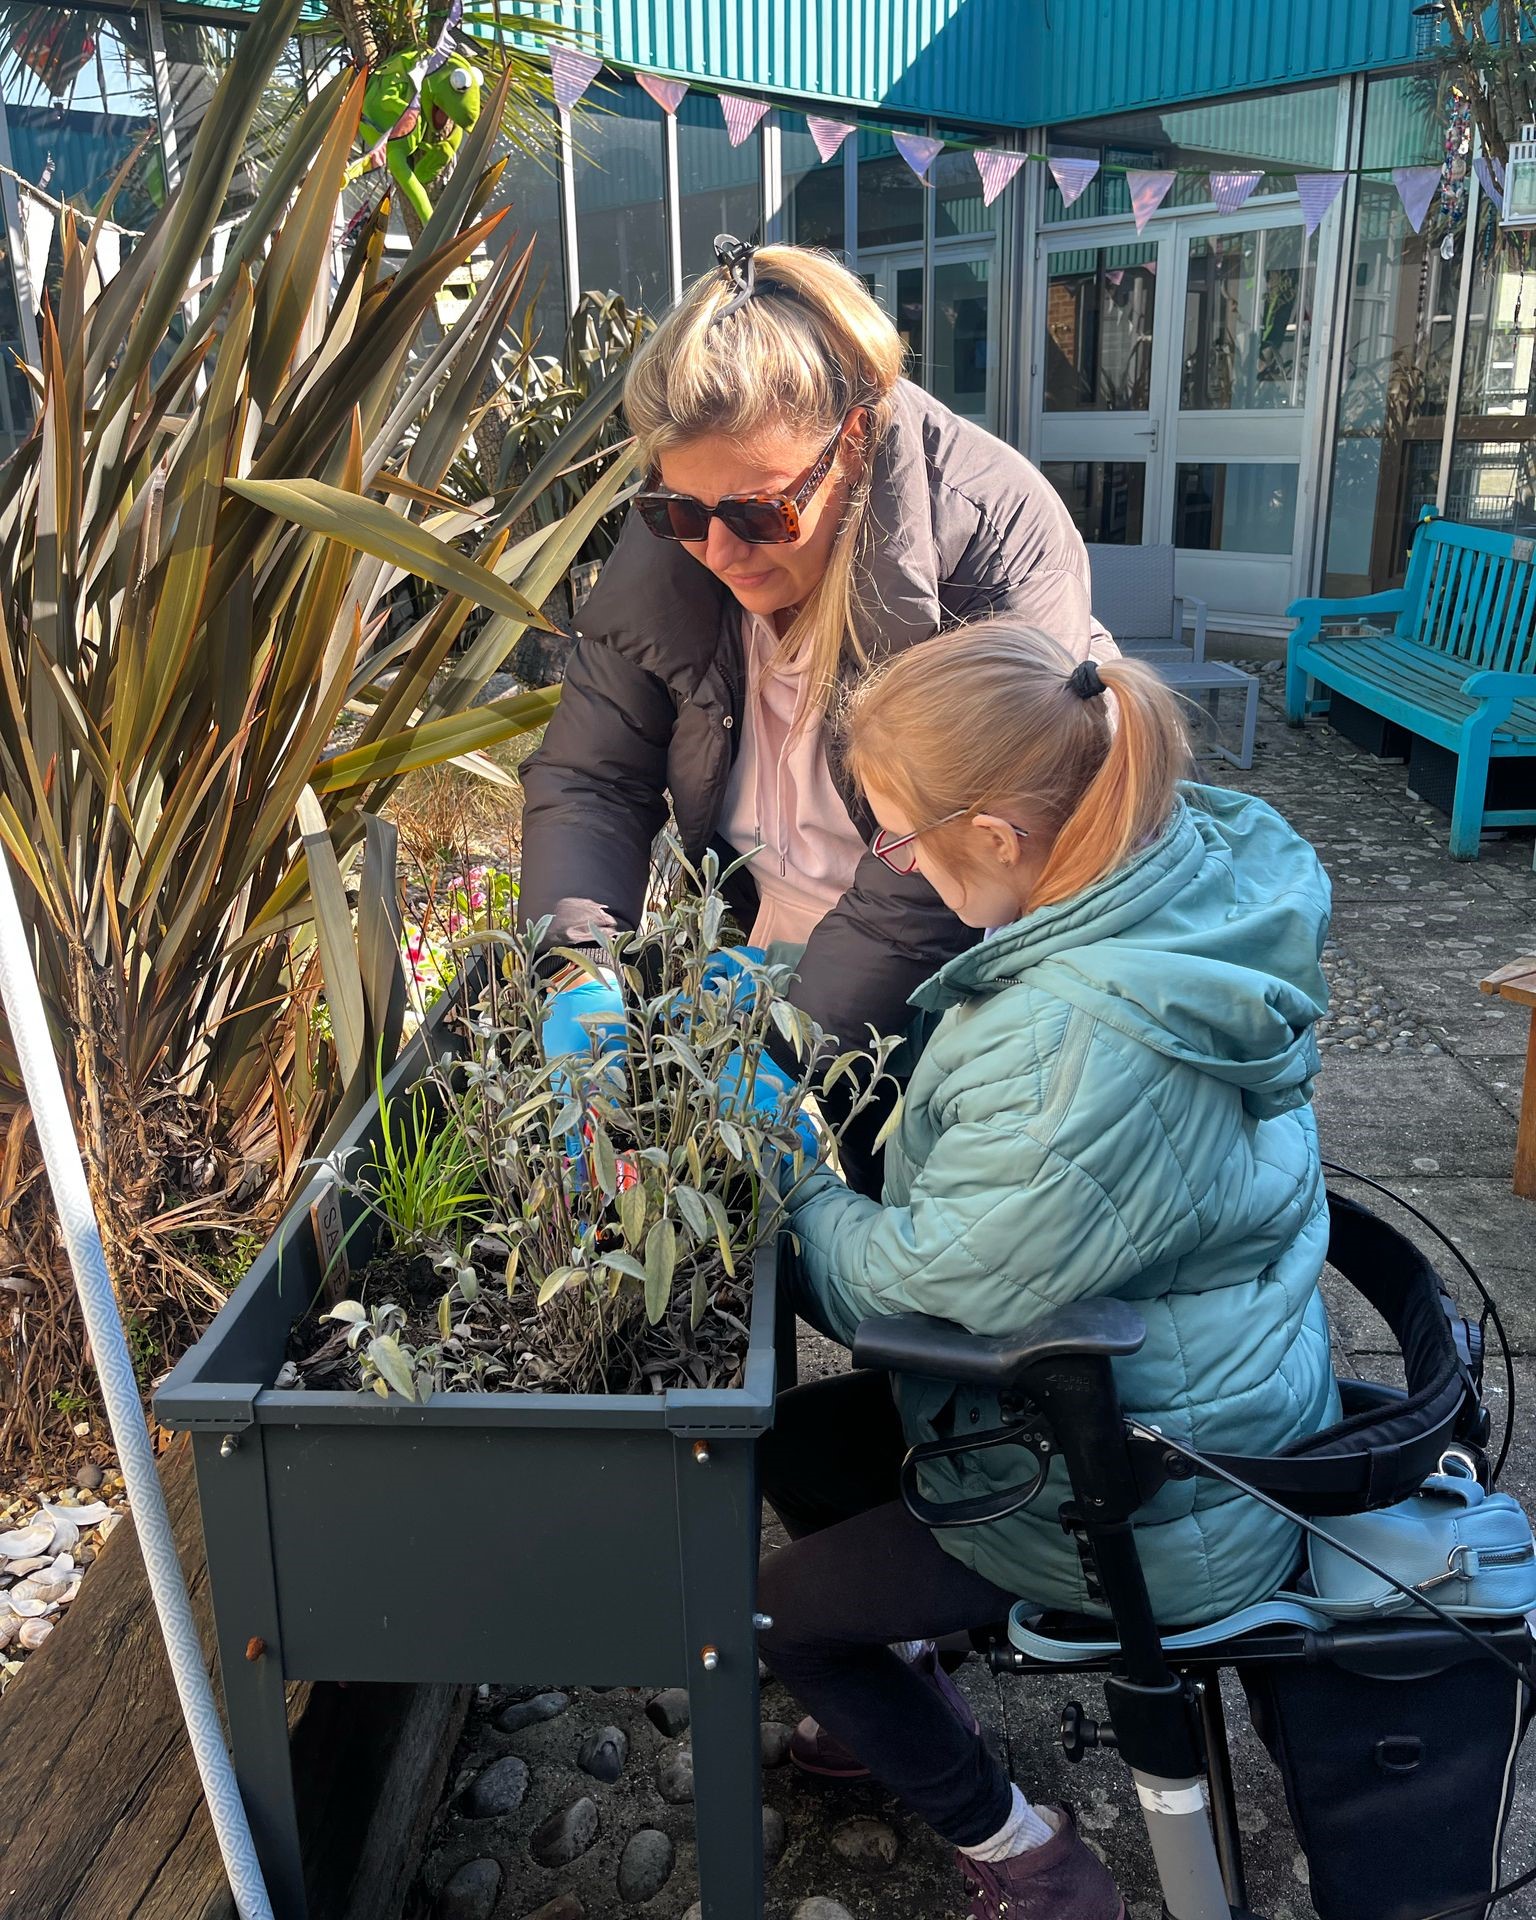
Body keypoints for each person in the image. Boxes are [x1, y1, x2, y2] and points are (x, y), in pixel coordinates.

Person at [758, 622, 1337, 1920]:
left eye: (896, 838)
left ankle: (1028, 1856)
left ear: (1002, 837)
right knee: (792, 1448)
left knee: (767, 1614)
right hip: (1211, 1402)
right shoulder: (1180, 876)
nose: (889, 864)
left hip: (1142, 1496)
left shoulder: (1077, 1046)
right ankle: (894, 1682)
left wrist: (788, 1159)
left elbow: (906, 1291)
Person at [519, 237, 1115, 1188]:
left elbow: (950, 856)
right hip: (765, 955)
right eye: (680, 510)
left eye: (760, 515)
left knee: (922, 1240)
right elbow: (593, 773)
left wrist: (790, 1042)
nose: (717, 550)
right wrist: (578, 964)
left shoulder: (991, 544)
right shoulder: (688, 531)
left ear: (857, 443)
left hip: (955, 970)